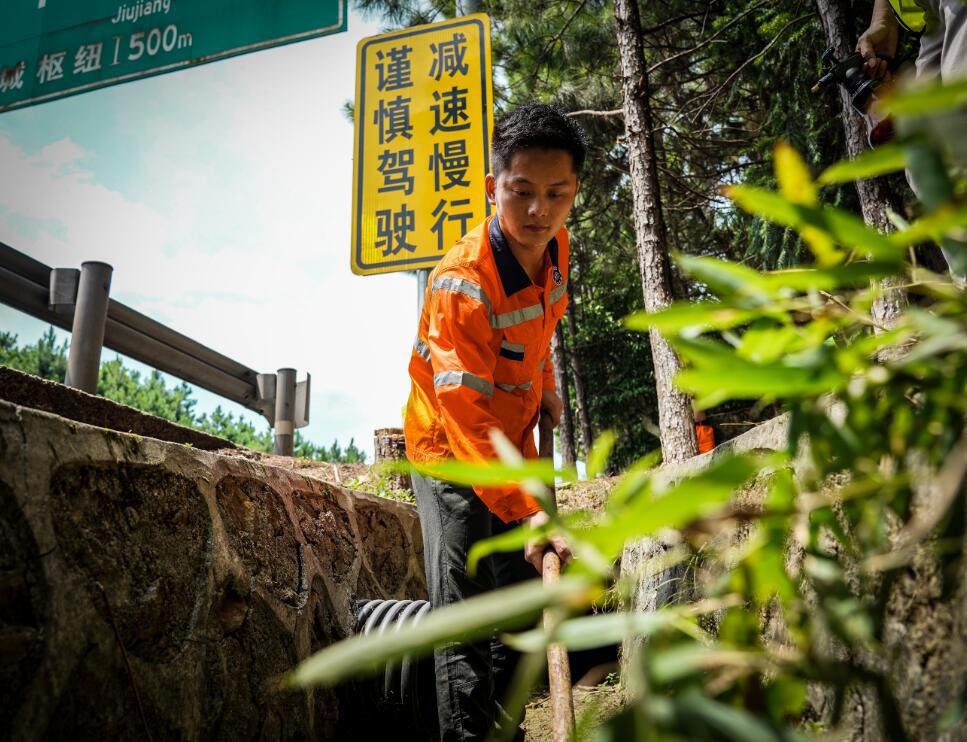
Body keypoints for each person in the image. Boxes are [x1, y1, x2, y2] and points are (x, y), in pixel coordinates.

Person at [403, 103, 585, 741]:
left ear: (574, 193)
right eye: (522, 193)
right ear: (492, 189)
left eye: (556, 194)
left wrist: (546, 388)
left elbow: (535, 335)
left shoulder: (555, 247)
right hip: (451, 450)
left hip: (514, 439)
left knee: (522, 602)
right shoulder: (461, 284)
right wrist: (523, 506)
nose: (539, 210)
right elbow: (464, 416)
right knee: (468, 610)